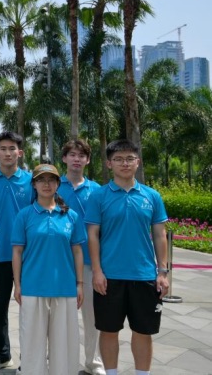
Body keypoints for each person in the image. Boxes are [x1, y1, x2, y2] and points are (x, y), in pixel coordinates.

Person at [85, 140, 169, 375]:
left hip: (144, 275)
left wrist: (163, 272)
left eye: (130, 158)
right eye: (119, 159)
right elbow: (92, 235)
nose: (125, 163)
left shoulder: (151, 196)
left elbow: (160, 235)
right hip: (109, 277)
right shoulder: (99, 196)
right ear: (109, 163)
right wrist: (97, 271)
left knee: (143, 331)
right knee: (108, 330)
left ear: (137, 162)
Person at [12, 164, 86, 375]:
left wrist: (80, 284)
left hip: (64, 287)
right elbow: (17, 251)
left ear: (58, 184)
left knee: (64, 344)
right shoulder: (25, 215)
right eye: (41, 180)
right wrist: (18, 284)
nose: (46, 184)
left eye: (51, 179)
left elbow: (77, 251)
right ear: (34, 184)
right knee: (32, 344)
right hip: (33, 287)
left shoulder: (70, 216)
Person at [0, 131, 32, 371]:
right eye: (3, 149)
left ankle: (30, 358)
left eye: (12, 148)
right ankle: (1, 355)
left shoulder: (31, 181)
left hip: (28, 255)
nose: (8, 153)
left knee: (29, 309)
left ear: (20, 152)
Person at [57, 140, 105, 375]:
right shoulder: (53, 187)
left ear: (88, 160)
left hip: (88, 261)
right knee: (59, 316)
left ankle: (93, 362)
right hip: (58, 262)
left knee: (91, 315)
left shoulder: (97, 190)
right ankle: (59, 361)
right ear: (64, 158)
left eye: (81, 155)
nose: (76, 159)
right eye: (72, 154)